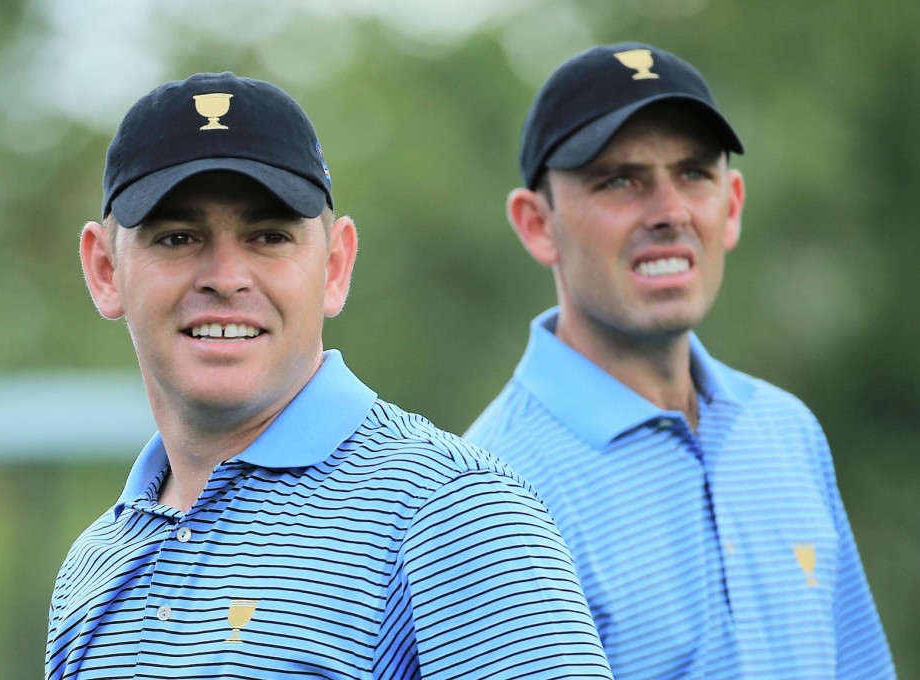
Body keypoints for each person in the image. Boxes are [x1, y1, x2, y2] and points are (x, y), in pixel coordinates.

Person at [44, 71, 613, 679]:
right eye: (178, 237)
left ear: (336, 266)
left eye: (269, 236)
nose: (226, 276)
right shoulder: (93, 564)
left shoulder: (454, 512)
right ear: (105, 270)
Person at [465, 43, 895, 678]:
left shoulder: (788, 432)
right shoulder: (491, 494)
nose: (670, 212)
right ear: (536, 224)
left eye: (694, 173)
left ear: (732, 205)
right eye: (620, 179)